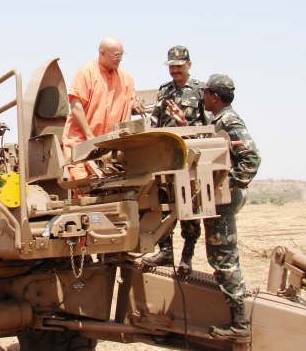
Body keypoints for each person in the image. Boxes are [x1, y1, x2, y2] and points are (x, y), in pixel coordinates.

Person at [202, 74, 261, 342]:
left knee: (225, 259)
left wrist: (228, 183)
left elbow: (251, 158)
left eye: (206, 92)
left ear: (215, 96)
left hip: (224, 200)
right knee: (219, 258)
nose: (203, 96)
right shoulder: (217, 120)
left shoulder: (229, 121)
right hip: (217, 200)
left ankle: (239, 323)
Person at [142, 46, 207, 274]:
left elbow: (209, 126)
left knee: (190, 208)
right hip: (165, 159)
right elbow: (155, 122)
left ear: (189, 65)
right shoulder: (165, 90)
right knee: (163, 205)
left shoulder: (201, 91)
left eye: (179, 66)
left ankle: (187, 258)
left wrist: (184, 125)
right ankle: (166, 252)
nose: (175, 71)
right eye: (171, 67)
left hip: (190, 158)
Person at [62, 36, 135, 180]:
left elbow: (127, 112)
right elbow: (76, 106)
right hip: (81, 142)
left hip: (109, 146)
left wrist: (121, 141)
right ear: (102, 53)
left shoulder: (126, 79)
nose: (119, 59)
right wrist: (89, 136)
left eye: (121, 55)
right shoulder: (86, 73)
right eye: (116, 55)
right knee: (82, 182)